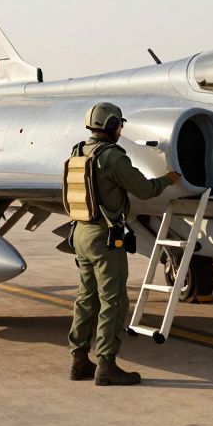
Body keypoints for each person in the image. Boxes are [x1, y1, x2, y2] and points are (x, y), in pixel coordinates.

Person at [68, 102, 181, 386]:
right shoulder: (113, 158)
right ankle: (106, 365)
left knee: (86, 298)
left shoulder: (79, 151)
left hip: (81, 232)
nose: (121, 129)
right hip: (104, 238)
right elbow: (143, 188)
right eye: (119, 124)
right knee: (113, 301)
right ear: (111, 126)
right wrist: (168, 179)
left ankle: (79, 360)